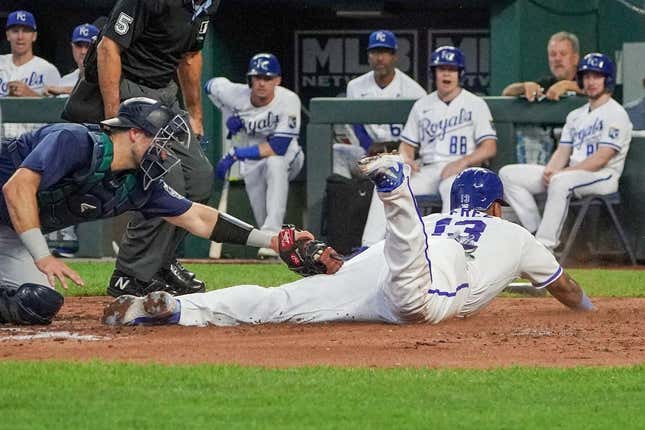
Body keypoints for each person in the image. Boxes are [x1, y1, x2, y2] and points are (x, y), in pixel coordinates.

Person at [102, 157, 594, 327]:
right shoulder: (511, 231)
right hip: (428, 271)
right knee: (414, 295)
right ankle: (395, 190)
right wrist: (593, 316)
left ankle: (177, 311)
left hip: (377, 261)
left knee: (279, 302)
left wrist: (340, 264)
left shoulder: (442, 216)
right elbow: (566, 288)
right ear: (495, 208)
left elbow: (375, 260)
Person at [0, 97, 312, 326]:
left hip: (8, 234)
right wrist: (43, 255)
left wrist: (272, 241)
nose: (165, 152)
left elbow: (199, 218)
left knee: (38, 303)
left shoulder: (138, 183)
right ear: (134, 133)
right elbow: (17, 188)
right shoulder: (76, 142)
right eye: (161, 141)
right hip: (12, 221)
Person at [88, 0, 218, 297]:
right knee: (165, 180)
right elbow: (107, 47)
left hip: (167, 95)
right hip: (131, 89)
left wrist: (195, 113)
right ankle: (129, 274)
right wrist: (113, 116)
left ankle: (162, 264)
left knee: (199, 179)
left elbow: (190, 55)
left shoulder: (209, 3)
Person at [361, 46, 497, 246]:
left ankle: (446, 248)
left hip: (462, 169)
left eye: (451, 69)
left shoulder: (475, 104)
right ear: (435, 73)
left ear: (460, 74)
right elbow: (406, 145)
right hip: (429, 168)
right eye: (442, 69)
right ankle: (369, 245)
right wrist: (406, 158)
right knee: (387, 180)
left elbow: (489, 147)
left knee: (453, 187)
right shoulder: (422, 105)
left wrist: (463, 162)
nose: (446, 73)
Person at [499, 53, 633, 250]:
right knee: (508, 174)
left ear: (608, 79)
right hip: (572, 174)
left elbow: (602, 158)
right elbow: (563, 152)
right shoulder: (575, 115)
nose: (591, 82)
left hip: (603, 176)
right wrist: (550, 170)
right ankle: (535, 230)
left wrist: (561, 174)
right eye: (587, 76)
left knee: (561, 182)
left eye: (597, 76)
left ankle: (545, 247)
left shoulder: (617, 113)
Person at [205, 53, 304, 258]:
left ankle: (272, 234)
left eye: (267, 78)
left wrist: (236, 153)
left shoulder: (288, 99)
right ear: (250, 79)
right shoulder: (236, 94)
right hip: (252, 160)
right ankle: (272, 248)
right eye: (257, 77)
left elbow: (279, 146)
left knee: (274, 163)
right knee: (262, 213)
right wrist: (228, 111)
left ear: (277, 80)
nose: (261, 83)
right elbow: (210, 85)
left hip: (289, 157)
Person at [334, 30, 426, 179]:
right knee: (337, 151)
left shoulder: (415, 91)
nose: (379, 58)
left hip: (400, 155)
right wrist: (369, 146)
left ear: (395, 56)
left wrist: (392, 149)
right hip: (368, 153)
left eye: (385, 52)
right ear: (368, 56)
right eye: (375, 52)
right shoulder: (355, 86)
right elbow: (356, 125)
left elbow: (418, 137)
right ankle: (347, 195)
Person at [502, 32, 582, 165]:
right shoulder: (547, 83)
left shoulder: (588, 79)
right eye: (553, 54)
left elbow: (597, 90)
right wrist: (524, 87)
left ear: (575, 58)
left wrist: (568, 85)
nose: (557, 59)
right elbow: (506, 93)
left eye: (563, 54)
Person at [0, 10, 61, 138]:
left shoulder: (48, 70)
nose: (20, 36)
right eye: (15, 31)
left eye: (26, 31)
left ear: (34, 36)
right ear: (7, 35)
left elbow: (58, 114)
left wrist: (30, 95)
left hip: (33, 143)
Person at [43, 23, 100, 97]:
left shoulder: (106, 75)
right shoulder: (65, 80)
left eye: (88, 46)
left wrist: (64, 90)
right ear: (72, 46)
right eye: (79, 46)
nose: (83, 51)